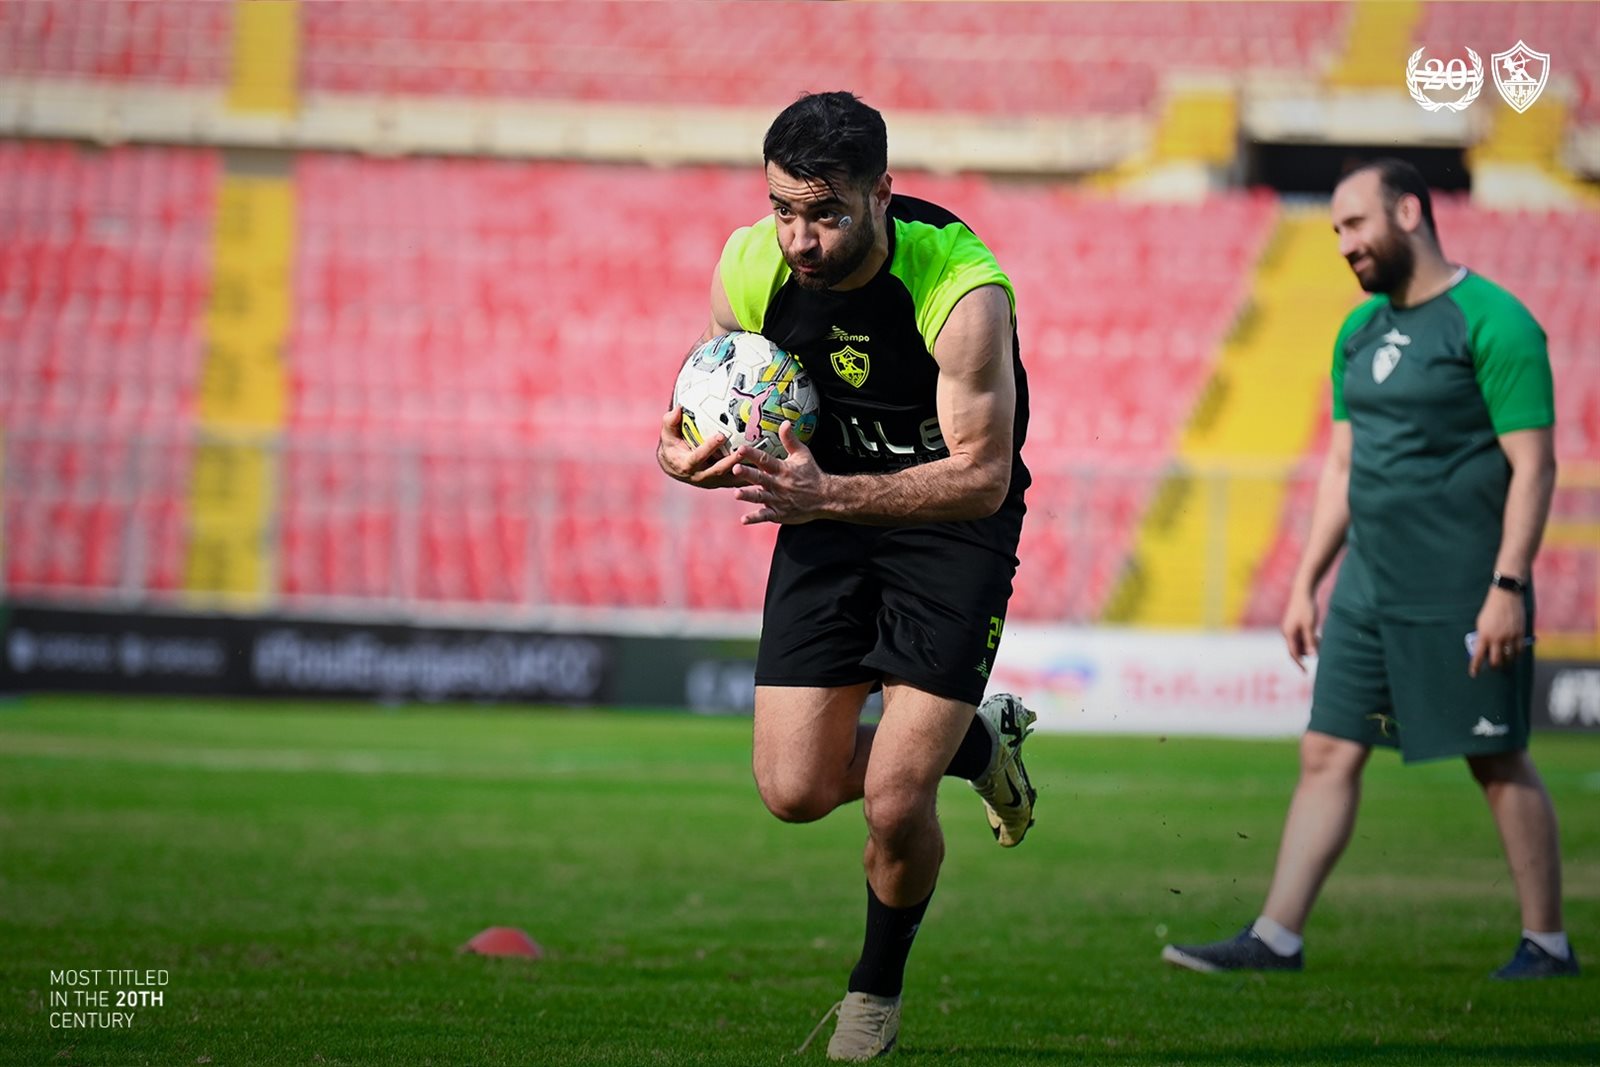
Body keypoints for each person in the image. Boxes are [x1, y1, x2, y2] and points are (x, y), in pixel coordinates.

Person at [657, 91, 1039, 1059]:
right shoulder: (750, 265)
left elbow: (983, 476)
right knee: (792, 787)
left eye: (825, 213)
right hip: (823, 512)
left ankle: (873, 991)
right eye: (783, 209)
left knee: (894, 801)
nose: (799, 238)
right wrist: (682, 448)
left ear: (881, 195)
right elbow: (719, 384)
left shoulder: (960, 288)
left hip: (950, 529)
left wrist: (828, 490)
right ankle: (976, 743)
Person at [1162, 158, 1576, 980]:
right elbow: (1342, 466)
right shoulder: (1357, 332)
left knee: (1495, 757)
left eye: (1355, 224)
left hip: (1463, 586)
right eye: (1335, 231)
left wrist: (1507, 586)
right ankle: (1276, 936)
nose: (1343, 243)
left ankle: (1547, 943)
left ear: (1410, 213)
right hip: (1366, 586)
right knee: (1327, 751)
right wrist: (1305, 582)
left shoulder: (1497, 321)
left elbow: (1534, 467)